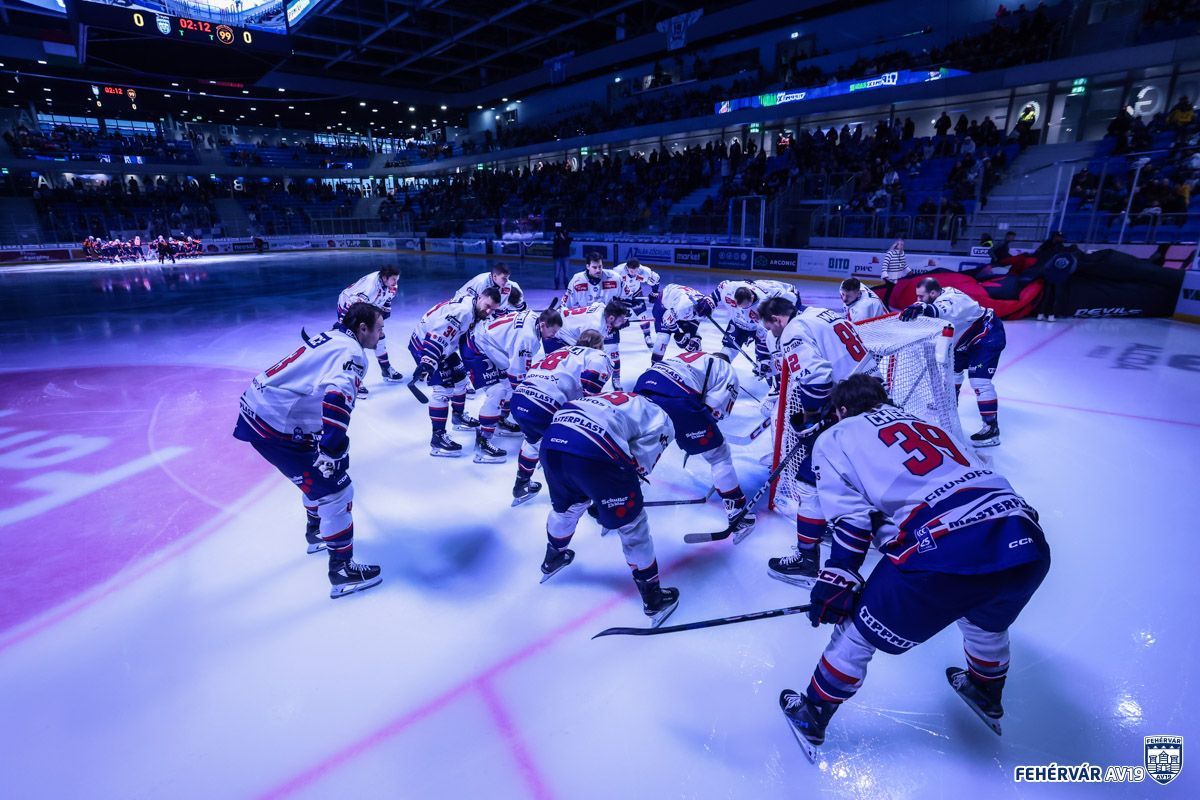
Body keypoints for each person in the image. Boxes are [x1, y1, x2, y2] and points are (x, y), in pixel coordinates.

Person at [779, 374, 1050, 749]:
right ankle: (985, 689)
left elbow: (852, 519)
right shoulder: (926, 423)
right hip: (1024, 536)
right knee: (983, 621)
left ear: (840, 410)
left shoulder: (835, 436)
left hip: (948, 548)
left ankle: (814, 710)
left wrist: (839, 575)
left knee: (856, 629)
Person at [232, 302, 384, 598]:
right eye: (379, 329)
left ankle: (317, 532)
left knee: (321, 477)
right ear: (362, 328)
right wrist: (330, 448)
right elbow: (337, 397)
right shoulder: (353, 353)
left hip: (261, 410)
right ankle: (342, 571)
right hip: (276, 422)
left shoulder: (333, 337)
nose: (382, 335)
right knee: (337, 491)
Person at [757, 296, 879, 587]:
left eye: (771, 328)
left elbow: (818, 380)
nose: (773, 334)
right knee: (850, 475)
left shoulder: (793, 331)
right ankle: (828, 527)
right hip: (873, 396)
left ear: (777, 318)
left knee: (809, 481)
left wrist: (813, 418)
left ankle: (807, 561)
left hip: (850, 409)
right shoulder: (821, 312)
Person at [538, 390, 680, 627]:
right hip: (593, 451)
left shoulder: (617, 397)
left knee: (567, 508)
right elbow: (639, 465)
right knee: (633, 524)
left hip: (552, 443)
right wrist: (612, 501)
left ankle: (553, 558)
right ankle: (654, 599)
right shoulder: (662, 417)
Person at [635, 351, 755, 541]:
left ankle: (617, 499)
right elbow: (714, 410)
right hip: (677, 396)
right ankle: (738, 513)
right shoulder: (726, 368)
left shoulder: (690, 357)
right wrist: (698, 435)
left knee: (642, 446)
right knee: (719, 454)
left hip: (641, 388)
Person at [509, 330, 611, 505]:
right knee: (574, 447)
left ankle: (522, 484)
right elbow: (590, 392)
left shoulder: (561, 350)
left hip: (519, 399)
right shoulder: (598, 356)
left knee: (532, 441)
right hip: (546, 404)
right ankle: (573, 496)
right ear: (599, 345)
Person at [901, 277, 1006, 446]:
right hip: (965, 338)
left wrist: (921, 306)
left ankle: (991, 429)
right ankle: (950, 404)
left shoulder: (953, 301)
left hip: (987, 335)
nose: (918, 299)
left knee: (980, 381)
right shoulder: (939, 295)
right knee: (953, 372)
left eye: (921, 296)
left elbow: (939, 310)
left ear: (933, 293)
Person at [462, 306, 562, 464]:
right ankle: (482, 442)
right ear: (543, 325)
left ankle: (500, 420)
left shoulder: (534, 318)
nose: (554, 335)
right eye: (553, 331)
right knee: (498, 391)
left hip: (490, 346)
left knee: (507, 386)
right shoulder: (527, 338)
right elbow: (517, 375)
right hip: (477, 347)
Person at [409, 289, 502, 456]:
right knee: (443, 389)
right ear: (480, 297)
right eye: (487, 306)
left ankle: (458, 416)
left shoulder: (474, 309)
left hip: (444, 347)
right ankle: (437, 438)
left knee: (460, 379)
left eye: (492, 309)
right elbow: (438, 333)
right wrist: (428, 360)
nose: (488, 311)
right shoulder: (463, 311)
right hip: (426, 346)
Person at [711, 279, 797, 376]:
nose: (742, 310)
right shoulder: (730, 289)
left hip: (785, 297)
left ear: (752, 298)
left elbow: (766, 336)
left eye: (746, 307)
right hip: (739, 322)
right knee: (729, 348)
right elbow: (719, 289)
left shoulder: (765, 307)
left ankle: (776, 378)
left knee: (769, 363)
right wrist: (709, 302)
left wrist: (764, 359)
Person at [337, 266, 403, 391]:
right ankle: (354, 379)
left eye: (397, 279)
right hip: (349, 305)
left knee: (379, 336)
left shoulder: (390, 284)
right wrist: (344, 325)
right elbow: (354, 307)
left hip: (366, 305)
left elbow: (386, 299)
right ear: (385, 278)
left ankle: (386, 369)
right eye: (394, 279)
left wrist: (382, 317)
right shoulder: (370, 287)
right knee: (354, 342)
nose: (396, 282)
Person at [544, 300, 630, 390]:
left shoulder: (601, 307)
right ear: (611, 318)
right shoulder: (596, 327)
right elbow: (584, 353)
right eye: (621, 320)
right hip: (555, 333)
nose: (623, 322)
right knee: (560, 371)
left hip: (559, 320)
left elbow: (595, 306)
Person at [651, 284, 716, 364]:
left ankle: (697, 365)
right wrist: (678, 333)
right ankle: (654, 364)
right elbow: (667, 319)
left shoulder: (705, 309)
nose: (699, 315)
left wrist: (692, 335)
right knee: (663, 337)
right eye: (698, 311)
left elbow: (695, 320)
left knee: (694, 343)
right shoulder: (683, 306)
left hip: (679, 305)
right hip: (664, 304)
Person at [612, 257, 661, 347]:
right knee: (617, 318)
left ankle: (647, 336)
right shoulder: (618, 271)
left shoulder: (644, 271)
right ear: (627, 268)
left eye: (636, 271)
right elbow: (610, 285)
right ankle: (610, 334)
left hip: (636, 294)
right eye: (631, 271)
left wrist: (654, 293)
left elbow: (656, 279)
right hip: (622, 296)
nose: (634, 274)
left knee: (643, 316)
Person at [454, 263, 524, 314]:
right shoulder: (481, 283)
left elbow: (521, 308)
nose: (506, 281)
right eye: (504, 278)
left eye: (508, 278)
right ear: (494, 276)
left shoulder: (511, 285)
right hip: (461, 303)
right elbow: (476, 307)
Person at [877, 238, 908, 307]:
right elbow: (885, 265)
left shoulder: (901, 253)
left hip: (894, 276)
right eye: (900, 244)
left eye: (902, 245)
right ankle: (885, 305)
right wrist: (886, 275)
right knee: (889, 291)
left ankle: (886, 304)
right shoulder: (891, 253)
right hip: (889, 276)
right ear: (896, 245)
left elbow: (903, 264)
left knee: (891, 291)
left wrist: (908, 271)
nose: (902, 246)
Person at [552, 222, 573, 290]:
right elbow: (555, 247)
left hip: (565, 257)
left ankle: (566, 286)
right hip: (558, 257)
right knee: (557, 273)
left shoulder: (568, 238)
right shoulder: (556, 237)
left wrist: (562, 237)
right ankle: (557, 286)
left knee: (566, 274)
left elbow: (567, 242)